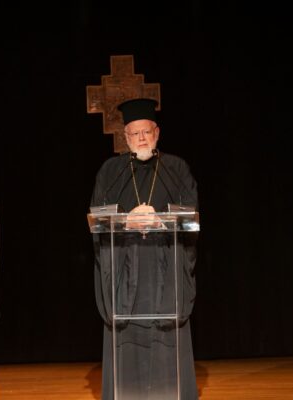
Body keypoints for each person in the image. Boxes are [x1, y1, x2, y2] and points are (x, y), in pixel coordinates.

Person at [90, 98, 199, 400]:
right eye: (134, 133)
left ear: (157, 133)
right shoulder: (110, 172)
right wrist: (127, 220)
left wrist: (159, 219)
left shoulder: (176, 169)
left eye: (146, 132)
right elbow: (97, 219)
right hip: (126, 268)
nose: (141, 139)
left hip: (165, 266)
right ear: (125, 137)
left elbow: (191, 216)